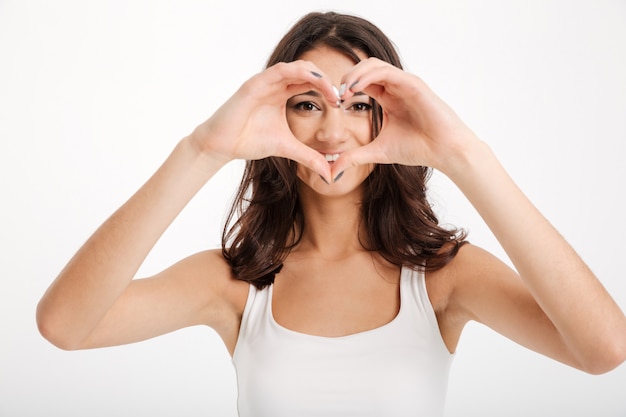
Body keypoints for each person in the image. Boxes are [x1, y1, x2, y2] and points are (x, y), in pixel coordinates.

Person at [36, 11, 626, 416]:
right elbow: (65, 326)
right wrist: (202, 149)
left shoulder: (443, 277)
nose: (331, 130)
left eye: (358, 103)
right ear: (276, 115)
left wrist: (464, 155)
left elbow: (603, 349)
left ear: (388, 116)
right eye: (307, 103)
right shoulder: (237, 284)